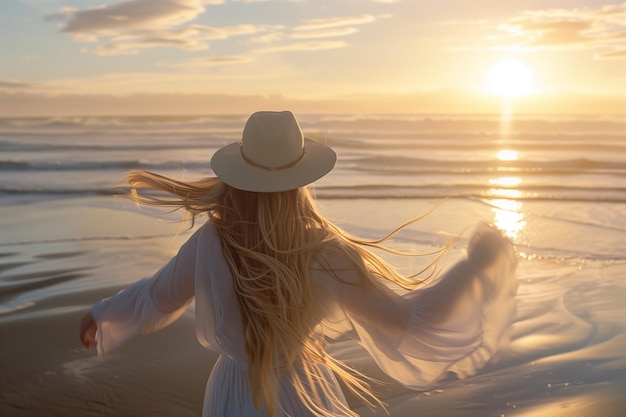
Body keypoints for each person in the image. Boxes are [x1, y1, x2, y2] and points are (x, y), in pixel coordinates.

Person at [80, 111, 518, 417]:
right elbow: (408, 322)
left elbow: (157, 296)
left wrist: (102, 314)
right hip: (303, 394)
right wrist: (476, 269)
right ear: (302, 181)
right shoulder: (326, 253)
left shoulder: (211, 241)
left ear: (239, 174)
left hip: (234, 395)